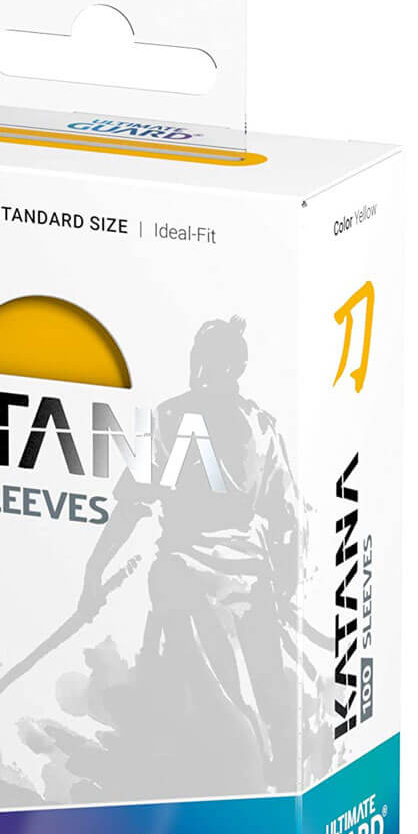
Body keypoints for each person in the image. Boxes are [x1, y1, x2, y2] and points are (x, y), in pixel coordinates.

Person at [77, 316, 305, 791]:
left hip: (206, 582)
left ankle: (263, 787)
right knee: (246, 699)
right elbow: (286, 519)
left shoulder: (178, 418)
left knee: (248, 702)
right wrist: (93, 571)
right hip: (217, 583)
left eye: (212, 362)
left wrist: (94, 573)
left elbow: (287, 520)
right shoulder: (251, 425)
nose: (208, 371)